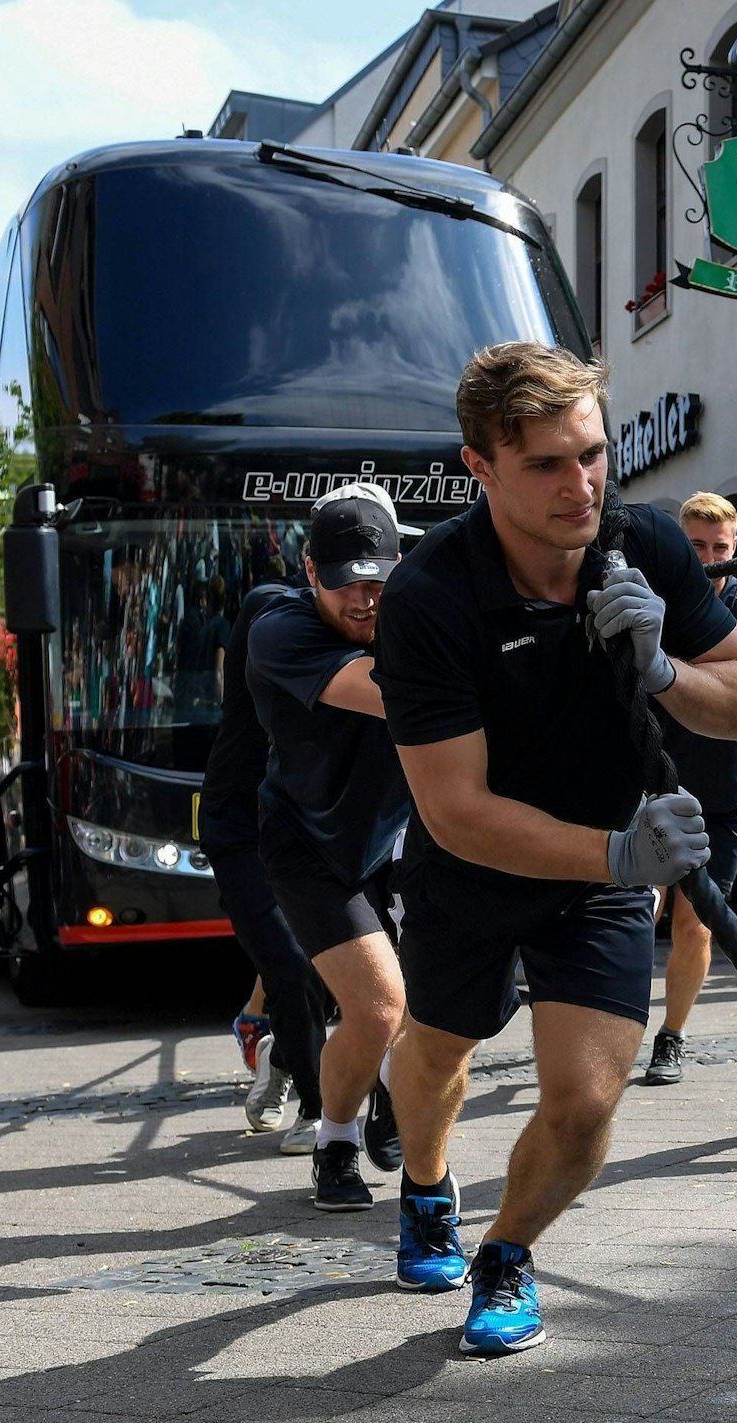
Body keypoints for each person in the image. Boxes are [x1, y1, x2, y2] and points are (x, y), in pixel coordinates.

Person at [374, 342, 737, 1355]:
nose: (580, 484)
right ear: (480, 466)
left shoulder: (645, 544)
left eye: (591, 454)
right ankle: (425, 1183)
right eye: (546, 464)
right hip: (478, 866)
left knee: (588, 1102)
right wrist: (619, 857)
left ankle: (506, 1252)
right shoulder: (428, 595)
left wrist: (665, 670)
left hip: (603, 863)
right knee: (437, 1050)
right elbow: (457, 811)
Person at [247, 491, 414, 1212]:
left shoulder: (410, 611)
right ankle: (336, 1142)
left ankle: (392, 1090)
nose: (364, 599)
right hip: (311, 847)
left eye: (378, 581)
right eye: (346, 582)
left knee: (452, 1004)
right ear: (310, 570)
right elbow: (395, 694)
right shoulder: (279, 630)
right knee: (378, 1009)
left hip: (402, 839)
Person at [645, 493, 737, 1086]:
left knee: (695, 923)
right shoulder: (652, 597)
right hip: (651, 784)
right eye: (695, 546)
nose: (707, 558)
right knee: (636, 911)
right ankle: (613, 1023)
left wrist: (663, 665)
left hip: (728, 794)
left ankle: (671, 1036)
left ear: (736, 548)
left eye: (719, 547)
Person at [205, 577, 334, 1154]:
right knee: (291, 964)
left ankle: (280, 1051)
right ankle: (320, 1108)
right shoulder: (271, 609)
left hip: (314, 822)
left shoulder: (368, 620)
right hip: (241, 829)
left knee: (341, 971)